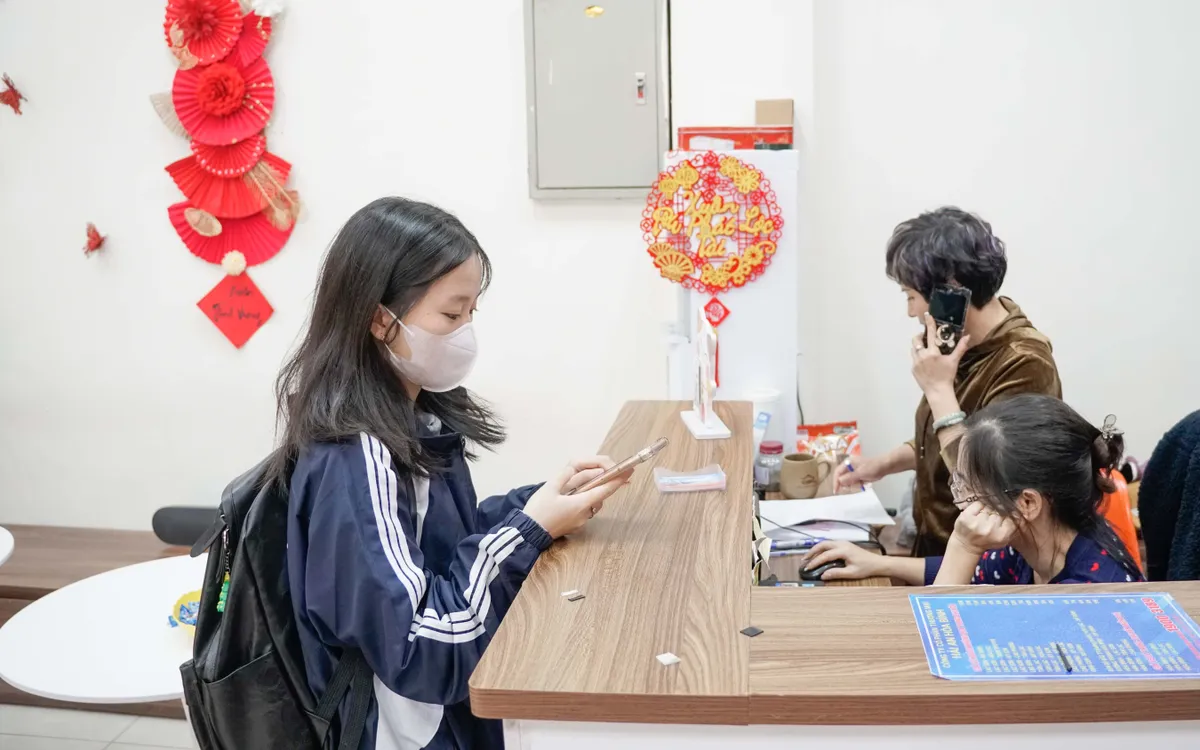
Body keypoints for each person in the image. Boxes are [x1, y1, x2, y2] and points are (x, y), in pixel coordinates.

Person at [271, 197, 632, 750]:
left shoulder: (414, 415)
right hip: (412, 729)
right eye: (450, 315)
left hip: (454, 712)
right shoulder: (356, 459)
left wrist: (541, 501)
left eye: (471, 313)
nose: (465, 333)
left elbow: (440, 541)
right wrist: (529, 529)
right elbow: (424, 647)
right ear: (379, 319)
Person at [833, 207, 1062, 556]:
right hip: (934, 547)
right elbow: (943, 435)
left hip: (980, 563)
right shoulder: (958, 343)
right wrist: (882, 464)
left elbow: (987, 489)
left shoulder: (1026, 363)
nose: (910, 311)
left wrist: (938, 389)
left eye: (911, 296)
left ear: (950, 293)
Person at [806, 395, 1144, 586]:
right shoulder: (1033, 540)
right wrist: (878, 563)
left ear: (1027, 502)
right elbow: (972, 573)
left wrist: (964, 545)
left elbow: (941, 638)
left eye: (970, 489)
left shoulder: (1088, 594)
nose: (961, 500)